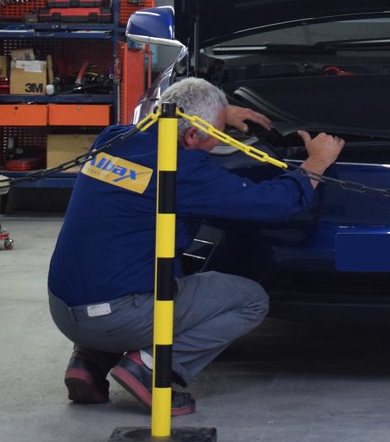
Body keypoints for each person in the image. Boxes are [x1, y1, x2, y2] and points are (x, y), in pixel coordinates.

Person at [48, 77, 344, 415]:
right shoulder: (182, 168)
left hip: (63, 309)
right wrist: (316, 163)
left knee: (118, 261)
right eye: (215, 136)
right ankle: (148, 368)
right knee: (250, 300)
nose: (218, 142)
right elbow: (271, 204)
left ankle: (88, 360)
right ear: (190, 135)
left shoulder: (115, 137)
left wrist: (221, 111)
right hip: (117, 317)